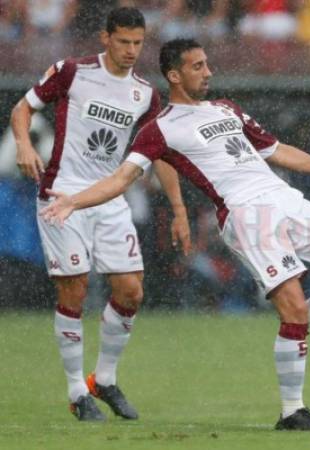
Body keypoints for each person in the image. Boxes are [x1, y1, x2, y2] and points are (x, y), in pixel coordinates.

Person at [40, 38, 310, 430]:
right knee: (292, 309)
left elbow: (276, 150)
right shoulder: (160, 129)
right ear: (174, 75)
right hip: (245, 214)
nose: (209, 72)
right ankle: (293, 412)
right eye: (198, 66)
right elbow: (122, 178)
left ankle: (309, 319)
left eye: (207, 65)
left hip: (286, 199)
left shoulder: (227, 108)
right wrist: (74, 201)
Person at [10, 7, 191, 422]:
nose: (131, 50)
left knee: (131, 291)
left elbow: (158, 152)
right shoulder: (71, 71)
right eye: (124, 41)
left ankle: (104, 379)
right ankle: (77, 392)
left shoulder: (146, 94)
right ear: (104, 38)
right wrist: (23, 143)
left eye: (138, 43)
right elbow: (23, 109)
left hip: (109, 200)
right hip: (62, 194)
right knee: (73, 290)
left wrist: (179, 208)